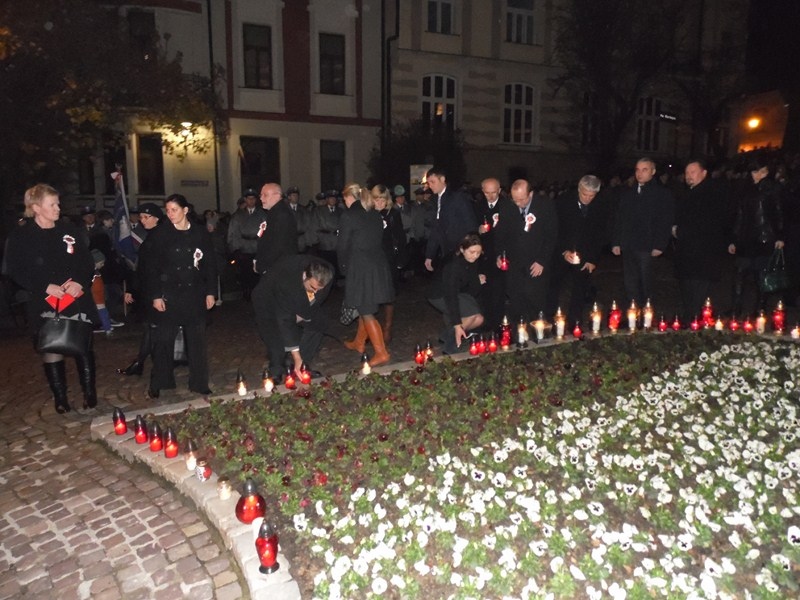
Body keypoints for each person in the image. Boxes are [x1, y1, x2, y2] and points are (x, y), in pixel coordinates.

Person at [4, 184, 100, 413]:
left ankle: (89, 393)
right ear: (36, 208)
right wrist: (45, 287)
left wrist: (80, 282)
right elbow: (15, 269)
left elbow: (86, 261)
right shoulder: (21, 235)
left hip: (75, 298)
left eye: (58, 203)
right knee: (51, 346)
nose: (58, 208)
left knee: (82, 345)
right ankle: (60, 398)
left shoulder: (69, 230)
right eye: (52, 204)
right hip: (45, 301)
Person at [145, 194, 217, 399]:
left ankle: (199, 382)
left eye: (174, 210)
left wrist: (211, 291)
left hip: (194, 293)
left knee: (197, 341)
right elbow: (152, 268)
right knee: (163, 340)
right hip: (169, 293)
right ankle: (160, 380)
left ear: (185, 210)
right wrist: (156, 295)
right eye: (167, 210)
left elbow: (210, 264)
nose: (170, 214)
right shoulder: (161, 234)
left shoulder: (199, 233)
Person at [338, 183, 395, 367]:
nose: (344, 202)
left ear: (350, 197)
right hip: (377, 265)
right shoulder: (374, 214)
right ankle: (359, 342)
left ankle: (381, 352)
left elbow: (343, 246)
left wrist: (342, 267)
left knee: (366, 310)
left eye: (344, 198)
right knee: (366, 305)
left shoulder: (349, 215)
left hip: (360, 267)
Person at [253, 255, 334, 381]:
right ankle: (276, 370)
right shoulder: (287, 282)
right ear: (304, 276)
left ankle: (301, 366)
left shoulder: (328, 272)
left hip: (293, 294)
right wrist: (296, 354)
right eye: (313, 288)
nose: (316, 292)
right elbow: (284, 320)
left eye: (319, 289)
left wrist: (305, 314)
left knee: (318, 322)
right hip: (266, 299)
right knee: (275, 332)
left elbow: (317, 299)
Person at [611, 158, 675, 307]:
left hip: (647, 244)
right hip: (628, 244)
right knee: (630, 282)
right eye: (637, 170)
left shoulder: (661, 194)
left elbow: (665, 220)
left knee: (646, 282)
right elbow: (620, 218)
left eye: (644, 170)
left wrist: (660, 244)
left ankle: (647, 311)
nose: (640, 173)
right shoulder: (628, 193)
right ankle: (633, 310)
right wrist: (616, 241)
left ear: (653, 172)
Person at [547, 175, 607, 327]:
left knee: (580, 287)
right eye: (584, 194)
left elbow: (600, 234)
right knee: (553, 285)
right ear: (579, 189)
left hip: (585, 253)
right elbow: (554, 229)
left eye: (591, 196)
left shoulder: (601, 205)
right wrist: (563, 250)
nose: (587, 199)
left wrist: (592, 259)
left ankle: (575, 320)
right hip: (562, 252)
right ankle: (549, 318)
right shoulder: (563, 202)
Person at [728, 156, 785, 315]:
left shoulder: (772, 188)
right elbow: (739, 215)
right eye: (755, 172)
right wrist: (733, 239)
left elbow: (779, 213)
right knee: (739, 272)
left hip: (764, 237)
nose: (758, 175)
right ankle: (736, 308)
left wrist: (780, 236)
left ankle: (760, 308)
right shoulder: (745, 189)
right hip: (746, 237)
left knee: (761, 275)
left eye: (762, 172)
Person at [494, 179, 557, 322]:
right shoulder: (506, 206)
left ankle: (538, 330)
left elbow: (551, 236)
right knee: (516, 302)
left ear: (531, 194)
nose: (518, 203)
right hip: (514, 263)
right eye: (515, 200)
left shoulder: (545, 205)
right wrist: (499, 254)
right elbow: (500, 234)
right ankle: (519, 330)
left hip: (536, 262)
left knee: (535, 300)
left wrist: (542, 260)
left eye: (522, 200)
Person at [673, 160, 727, 323]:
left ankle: (694, 322)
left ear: (704, 173)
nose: (689, 176)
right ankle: (690, 320)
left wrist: (679, 231)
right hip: (688, 253)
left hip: (702, 254)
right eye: (687, 173)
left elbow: (704, 223)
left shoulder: (709, 194)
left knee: (697, 293)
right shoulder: (690, 192)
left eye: (693, 172)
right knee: (688, 291)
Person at [118, 203, 164, 376]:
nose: (142, 220)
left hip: (158, 290)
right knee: (151, 328)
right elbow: (141, 267)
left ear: (156, 218)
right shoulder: (151, 237)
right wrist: (132, 288)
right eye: (141, 217)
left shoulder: (160, 237)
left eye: (146, 217)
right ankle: (140, 362)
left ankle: (145, 364)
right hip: (149, 289)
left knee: (154, 328)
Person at [428, 233, 486, 354]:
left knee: (479, 319)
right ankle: (450, 347)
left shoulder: (472, 261)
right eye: (472, 252)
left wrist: (477, 281)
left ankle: (445, 335)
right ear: (462, 249)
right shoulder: (453, 265)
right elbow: (451, 295)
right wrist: (457, 323)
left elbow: (473, 292)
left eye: (478, 253)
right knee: (471, 315)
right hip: (439, 294)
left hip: (457, 293)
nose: (475, 256)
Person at [424, 166, 478, 272]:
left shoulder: (458, 197)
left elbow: (471, 224)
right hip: (446, 252)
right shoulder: (434, 201)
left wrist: (470, 249)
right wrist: (429, 255)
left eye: (433, 182)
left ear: (442, 179)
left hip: (462, 250)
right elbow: (436, 228)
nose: (430, 186)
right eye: (429, 183)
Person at [372, 184, 408, 342]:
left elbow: (400, 237)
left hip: (389, 258)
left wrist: (401, 259)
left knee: (389, 294)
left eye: (383, 199)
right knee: (372, 295)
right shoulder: (368, 214)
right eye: (377, 199)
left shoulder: (393, 214)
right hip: (373, 259)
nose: (380, 203)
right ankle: (371, 328)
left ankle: (387, 327)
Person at [477, 177, 513, 330]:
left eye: (493, 192)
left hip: (500, 255)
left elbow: (512, 233)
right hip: (483, 255)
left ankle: (499, 324)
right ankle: (487, 322)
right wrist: (478, 230)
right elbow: (471, 228)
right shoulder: (478, 206)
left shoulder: (507, 206)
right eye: (487, 193)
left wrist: (503, 254)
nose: (490, 196)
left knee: (499, 291)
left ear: (499, 190)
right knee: (485, 290)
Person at [227, 189, 266, 301]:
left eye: (253, 199)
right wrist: (235, 249)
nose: (251, 201)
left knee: (257, 273)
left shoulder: (262, 214)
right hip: (243, 248)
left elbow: (266, 230)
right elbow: (233, 233)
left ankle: (256, 293)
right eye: (249, 199)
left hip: (257, 247)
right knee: (244, 272)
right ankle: (246, 292)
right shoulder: (238, 216)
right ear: (245, 200)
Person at [255, 182, 298, 275]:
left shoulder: (282, 214)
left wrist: (263, 265)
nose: (261, 198)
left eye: (265, 195)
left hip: (278, 267)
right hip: (276, 266)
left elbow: (277, 245)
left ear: (277, 196)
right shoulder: (275, 212)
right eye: (261, 195)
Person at [313, 190, 343, 278]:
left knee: (335, 266)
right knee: (324, 266)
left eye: (334, 198)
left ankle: (335, 281)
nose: (333, 200)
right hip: (324, 242)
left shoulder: (340, 211)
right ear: (327, 200)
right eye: (330, 198)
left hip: (336, 242)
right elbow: (315, 225)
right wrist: (317, 240)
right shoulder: (319, 211)